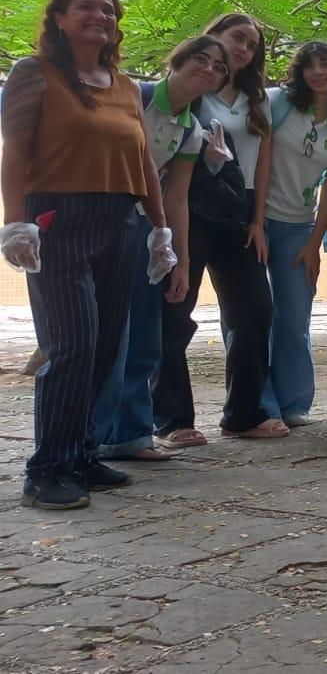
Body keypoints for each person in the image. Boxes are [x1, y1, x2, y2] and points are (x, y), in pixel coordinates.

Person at [1, 0, 176, 509]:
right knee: (72, 343)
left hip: (119, 220)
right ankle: (47, 468)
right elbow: (15, 148)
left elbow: (144, 161)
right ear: (58, 17)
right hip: (59, 217)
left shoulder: (124, 84)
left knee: (104, 345)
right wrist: (16, 222)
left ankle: (79, 452)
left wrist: (160, 229)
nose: (100, 15)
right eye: (86, 7)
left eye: (108, 10)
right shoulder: (35, 73)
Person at [154, 12, 281, 447]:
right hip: (188, 202)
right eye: (237, 38)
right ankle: (172, 419)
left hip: (238, 207)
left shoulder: (258, 99)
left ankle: (244, 413)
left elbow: (263, 162)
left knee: (255, 310)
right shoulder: (193, 89)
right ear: (211, 37)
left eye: (252, 44)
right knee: (175, 308)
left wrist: (259, 220)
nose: (243, 48)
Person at [94, 36, 223, 461]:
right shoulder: (136, 97)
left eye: (218, 67)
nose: (208, 70)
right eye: (200, 60)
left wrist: (180, 260)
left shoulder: (191, 127)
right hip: (106, 217)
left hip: (150, 228)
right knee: (113, 335)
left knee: (148, 336)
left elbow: (176, 196)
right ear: (178, 62)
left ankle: (132, 434)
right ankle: (95, 434)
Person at [259, 41, 327, 426]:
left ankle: (295, 403)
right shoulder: (275, 103)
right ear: (299, 72)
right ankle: (258, 404)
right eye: (310, 65)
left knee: (294, 317)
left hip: (299, 225)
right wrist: (253, 221)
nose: (319, 72)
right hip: (256, 220)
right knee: (251, 317)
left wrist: (316, 241)